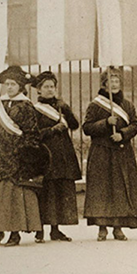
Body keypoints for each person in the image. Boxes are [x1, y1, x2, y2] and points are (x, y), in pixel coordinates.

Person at [0, 65, 46, 246]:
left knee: (14, 196)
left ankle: (14, 233)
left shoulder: (26, 106)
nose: (9, 87)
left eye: (13, 84)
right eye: (7, 84)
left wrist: (24, 154)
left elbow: (32, 134)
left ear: (20, 87)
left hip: (16, 158)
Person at [82, 67, 137, 241]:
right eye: (111, 82)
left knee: (119, 189)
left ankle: (118, 227)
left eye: (117, 81)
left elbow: (136, 124)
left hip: (121, 151)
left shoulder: (127, 105)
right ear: (104, 84)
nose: (114, 84)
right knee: (102, 189)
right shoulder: (95, 105)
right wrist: (106, 123)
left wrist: (122, 134)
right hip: (101, 152)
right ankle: (102, 228)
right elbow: (87, 127)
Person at [32, 71, 81, 243]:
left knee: (58, 191)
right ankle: (40, 231)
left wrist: (66, 109)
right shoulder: (35, 109)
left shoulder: (60, 107)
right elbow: (33, 134)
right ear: (38, 90)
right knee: (45, 192)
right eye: (46, 87)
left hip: (62, 155)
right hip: (45, 155)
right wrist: (52, 130)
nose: (50, 90)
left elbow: (74, 125)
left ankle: (55, 229)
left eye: (52, 86)